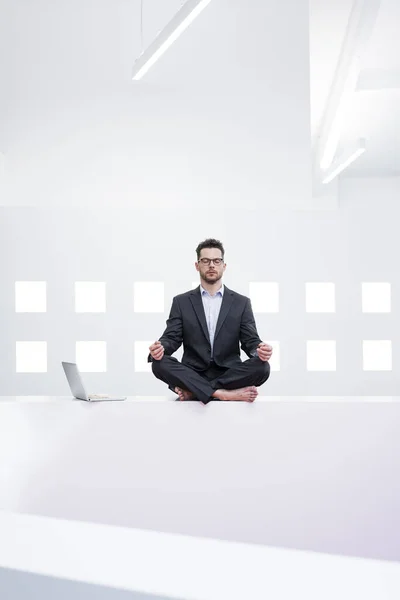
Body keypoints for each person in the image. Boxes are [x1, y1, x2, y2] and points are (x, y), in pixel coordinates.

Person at [148, 238, 272, 404]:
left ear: (224, 266)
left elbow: (250, 341)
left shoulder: (241, 302)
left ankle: (197, 391)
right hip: (194, 371)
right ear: (197, 266)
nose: (211, 265)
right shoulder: (181, 302)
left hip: (229, 373)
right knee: (158, 363)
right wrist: (161, 347)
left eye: (216, 260)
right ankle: (222, 394)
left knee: (262, 367)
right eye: (205, 261)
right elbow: (172, 338)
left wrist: (260, 350)